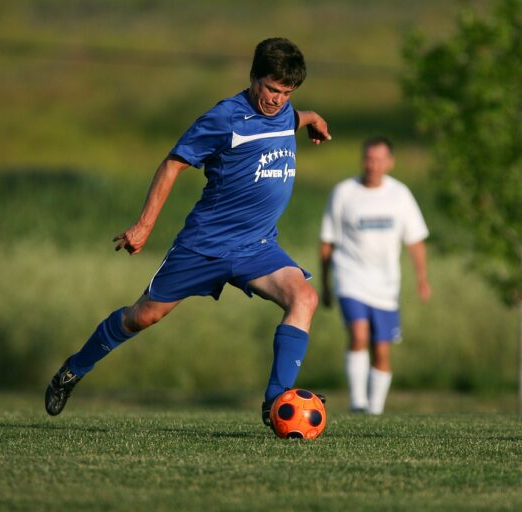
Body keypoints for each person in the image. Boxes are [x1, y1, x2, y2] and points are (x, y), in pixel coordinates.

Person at [45, 38, 331, 427]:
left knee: (305, 298)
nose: (276, 100)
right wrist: (144, 226)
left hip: (257, 247)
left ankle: (276, 402)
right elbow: (172, 165)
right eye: (270, 89)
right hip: (205, 246)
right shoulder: (225, 117)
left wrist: (314, 120)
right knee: (143, 317)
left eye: (286, 92)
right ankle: (73, 370)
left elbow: (297, 116)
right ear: (253, 78)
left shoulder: (284, 112)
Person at [319, 136, 430, 415]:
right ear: (362, 160)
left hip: (386, 284)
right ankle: (357, 402)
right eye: (369, 158)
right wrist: (325, 285)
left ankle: (374, 410)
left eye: (379, 159)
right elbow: (327, 242)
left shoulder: (400, 194)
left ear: (390, 162)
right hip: (350, 276)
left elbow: (415, 240)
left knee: (381, 348)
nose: (373, 165)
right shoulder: (344, 192)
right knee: (358, 334)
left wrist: (422, 278)